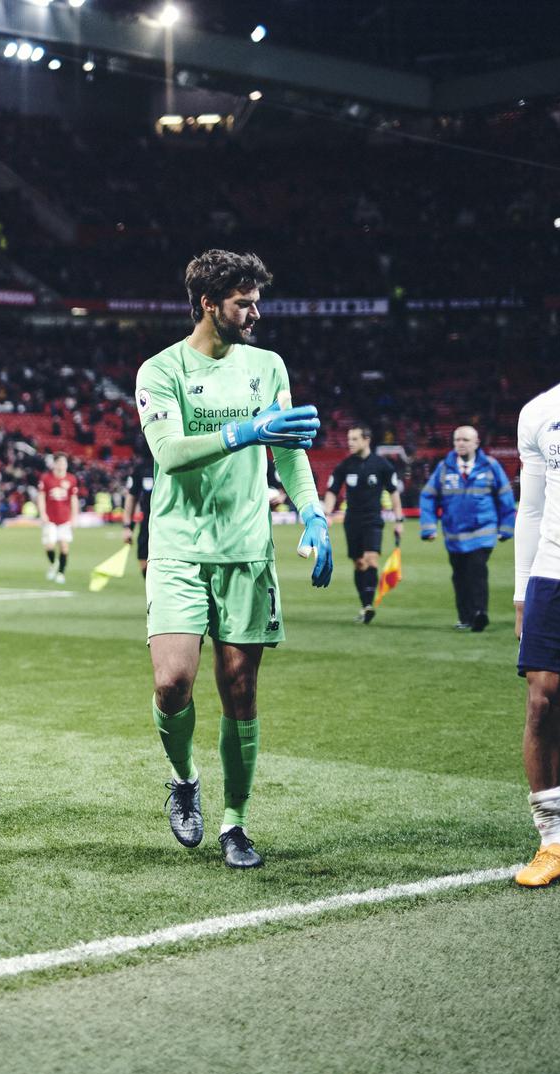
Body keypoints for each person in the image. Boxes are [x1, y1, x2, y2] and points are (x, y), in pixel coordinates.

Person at [134, 249, 330, 870]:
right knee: (172, 683)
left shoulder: (268, 367)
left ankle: (235, 823)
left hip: (246, 547)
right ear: (207, 305)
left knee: (239, 689)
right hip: (177, 547)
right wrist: (242, 432)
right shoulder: (160, 370)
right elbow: (168, 452)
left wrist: (314, 513)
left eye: (256, 300)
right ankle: (185, 779)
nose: (255, 312)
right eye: (243, 302)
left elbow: (291, 450)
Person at [512, 316, 560, 887]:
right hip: (554, 574)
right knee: (543, 702)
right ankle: (553, 841)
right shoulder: (541, 412)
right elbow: (531, 509)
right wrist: (523, 589)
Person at [418, 425, 515, 632]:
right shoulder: (445, 468)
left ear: (476, 443)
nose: (460, 444)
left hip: (483, 533)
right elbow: (428, 496)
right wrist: (428, 527)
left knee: (477, 571)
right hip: (454, 535)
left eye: (465, 440)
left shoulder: (490, 466)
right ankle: (465, 617)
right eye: (457, 440)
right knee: (459, 576)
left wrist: (507, 527)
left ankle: (480, 613)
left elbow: (505, 496)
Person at [322, 426, 404, 624]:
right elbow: (332, 490)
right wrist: (326, 514)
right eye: (349, 438)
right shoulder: (345, 465)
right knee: (359, 563)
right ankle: (365, 604)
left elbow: (394, 492)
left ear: (367, 440)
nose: (350, 442)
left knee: (371, 558)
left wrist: (399, 520)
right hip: (352, 521)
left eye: (354, 438)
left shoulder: (382, 465)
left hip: (373, 520)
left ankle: (368, 606)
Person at [35, 455, 78, 583]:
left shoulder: (71, 479)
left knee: (64, 546)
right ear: (54, 464)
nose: (61, 465)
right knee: (49, 546)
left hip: (64, 518)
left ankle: (61, 573)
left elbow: (73, 499)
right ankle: (54, 563)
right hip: (50, 518)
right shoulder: (46, 478)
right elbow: (41, 496)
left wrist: (74, 516)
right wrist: (42, 513)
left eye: (63, 463)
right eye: (59, 463)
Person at [122, 434, 155, 577]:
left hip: (172, 520)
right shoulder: (140, 469)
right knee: (143, 560)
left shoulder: (172, 463)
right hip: (148, 521)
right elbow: (131, 497)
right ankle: (152, 596)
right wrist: (127, 527)